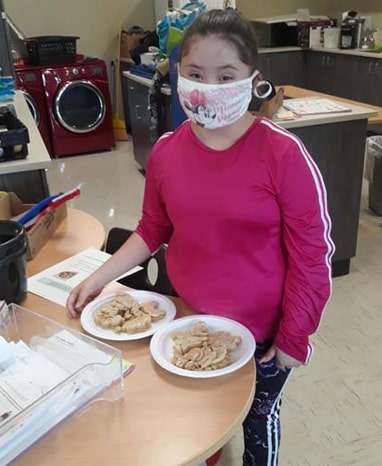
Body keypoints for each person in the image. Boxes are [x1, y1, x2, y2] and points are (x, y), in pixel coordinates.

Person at [67, 9, 335, 466]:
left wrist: (293, 338)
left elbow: (314, 256)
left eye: (225, 75)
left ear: (253, 81)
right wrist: (98, 275)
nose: (208, 87)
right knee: (196, 419)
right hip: (185, 322)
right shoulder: (168, 152)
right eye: (195, 74)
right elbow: (153, 228)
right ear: (178, 75)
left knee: (256, 418)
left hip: (262, 334)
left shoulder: (283, 155)